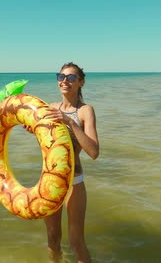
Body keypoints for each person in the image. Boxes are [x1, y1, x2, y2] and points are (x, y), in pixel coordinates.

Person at [26, 62, 100, 262]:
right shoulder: (50, 107)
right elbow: (48, 141)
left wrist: (69, 122)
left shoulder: (85, 111)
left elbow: (93, 151)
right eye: (61, 77)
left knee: (76, 242)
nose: (65, 81)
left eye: (71, 77)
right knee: (52, 238)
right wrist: (32, 128)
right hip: (49, 180)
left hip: (73, 181)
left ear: (81, 82)